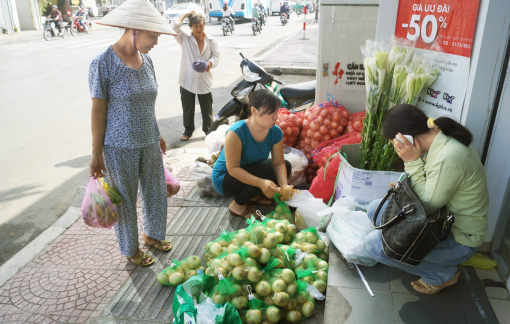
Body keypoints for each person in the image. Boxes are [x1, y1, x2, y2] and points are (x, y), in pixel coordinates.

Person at [364, 104, 489, 294]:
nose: (396, 149)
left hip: (459, 239)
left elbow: (426, 206)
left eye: (396, 144)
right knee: (375, 209)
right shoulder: (436, 134)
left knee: (374, 246)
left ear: (405, 139)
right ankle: (406, 249)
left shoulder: (448, 156)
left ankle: (442, 275)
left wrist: (411, 162)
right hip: (440, 220)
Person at [89, 0, 177, 267]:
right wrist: (95, 154)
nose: (156, 42)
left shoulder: (147, 61)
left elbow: (147, 102)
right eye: (154, 36)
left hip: (149, 140)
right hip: (118, 146)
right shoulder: (103, 63)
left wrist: (158, 132)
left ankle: (153, 235)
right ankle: (130, 249)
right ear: (134, 30)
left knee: (156, 192)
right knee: (125, 201)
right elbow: (98, 111)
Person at [212, 89, 294, 218]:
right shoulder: (236, 132)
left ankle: (254, 195)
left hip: (249, 172)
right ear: (254, 111)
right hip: (225, 179)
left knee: (286, 166)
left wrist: (284, 186)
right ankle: (237, 204)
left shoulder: (275, 132)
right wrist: (261, 183)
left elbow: (278, 163)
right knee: (267, 170)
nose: (276, 117)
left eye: (276, 111)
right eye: (270, 112)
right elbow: (233, 169)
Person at [171, 12, 220, 141]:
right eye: (196, 26)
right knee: (188, 107)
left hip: (204, 80)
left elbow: (216, 56)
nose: (199, 29)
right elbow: (174, 27)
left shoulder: (211, 40)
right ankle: (188, 130)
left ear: (204, 25)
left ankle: (208, 131)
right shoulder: (184, 39)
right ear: (190, 27)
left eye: (201, 26)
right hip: (187, 79)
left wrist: (210, 63)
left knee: (207, 108)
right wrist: (184, 15)